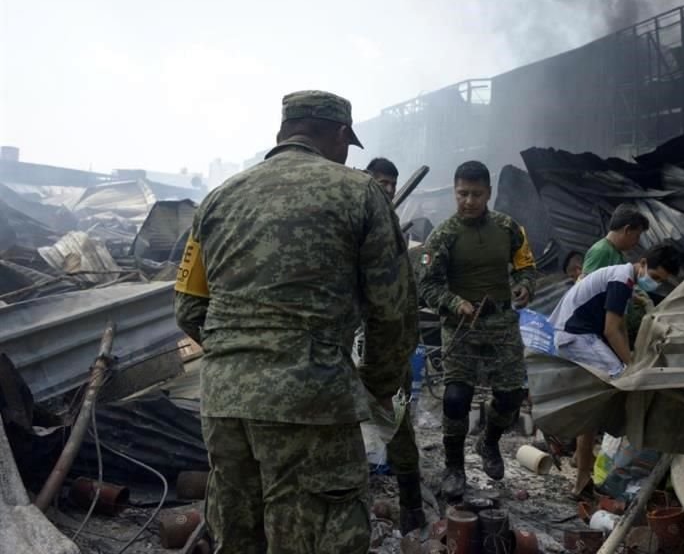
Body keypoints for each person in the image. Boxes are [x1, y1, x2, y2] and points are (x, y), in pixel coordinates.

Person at [174, 90, 419, 554]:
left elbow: (187, 308)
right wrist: (378, 384)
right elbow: (394, 311)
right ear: (341, 134)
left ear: (284, 131)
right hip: (312, 401)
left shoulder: (218, 199)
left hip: (224, 400)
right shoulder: (360, 192)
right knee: (318, 535)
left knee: (238, 536)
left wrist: (236, 352)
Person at [418, 161, 537, 499]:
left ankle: (489, 442)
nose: (468, 201)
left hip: (501, 323)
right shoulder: (442, 236)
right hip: (461, 326)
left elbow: (526, 266)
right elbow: (427, 284)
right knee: (456, 398)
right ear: (455, 192)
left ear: (489, 193)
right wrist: (454, 302)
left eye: (476, 194)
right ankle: (454, 467)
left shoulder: (508, 228)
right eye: (462, 194)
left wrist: (525, 286)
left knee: (511, 395)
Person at [547, 260, 653, 498]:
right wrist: (630, 367)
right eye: (655, 275)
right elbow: (611, 330)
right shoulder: (621, 279)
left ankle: (582, 478)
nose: (654, 282)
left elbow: (620, 327)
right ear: (643, 263)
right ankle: (566, 435)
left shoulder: (623, 280)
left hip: (579, 335)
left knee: (593, 409)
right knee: (623, 380)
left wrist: (629, 361)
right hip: (575, 335)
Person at [362, 155, 425, 534]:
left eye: (391, 183)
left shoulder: (393, 231)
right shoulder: (355, 225)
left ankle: (412, 506)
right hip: (354, 348)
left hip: (392, 351)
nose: (387, 189)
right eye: (380, 182)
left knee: (399, 427)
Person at [581, 204, 650, 276]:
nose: (637, 241)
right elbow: (586, 281)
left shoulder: (616, 252)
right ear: (627, 230)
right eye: (637, 235)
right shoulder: (601, 251)